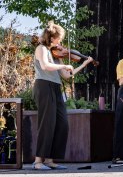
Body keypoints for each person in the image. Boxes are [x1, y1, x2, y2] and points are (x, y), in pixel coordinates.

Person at [32, 21, 94, 170]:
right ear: (52, 37)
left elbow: (67, 75)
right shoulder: (41, 49)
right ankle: (38, 161)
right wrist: (64, 65)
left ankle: (49, 160)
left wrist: (83, 64)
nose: (61, 42)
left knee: (61, 124)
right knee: (47, 123)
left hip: (55, 87)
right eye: (59, 38)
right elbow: (46, 66)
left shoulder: (56, 55)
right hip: (43, 86)